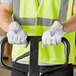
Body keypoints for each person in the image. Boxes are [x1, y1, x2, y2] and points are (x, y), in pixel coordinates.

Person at [0, 0, 76, 76]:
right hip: (21, 58)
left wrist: (62, 28)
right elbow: (3, 10)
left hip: (59, 60)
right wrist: (10, 28)